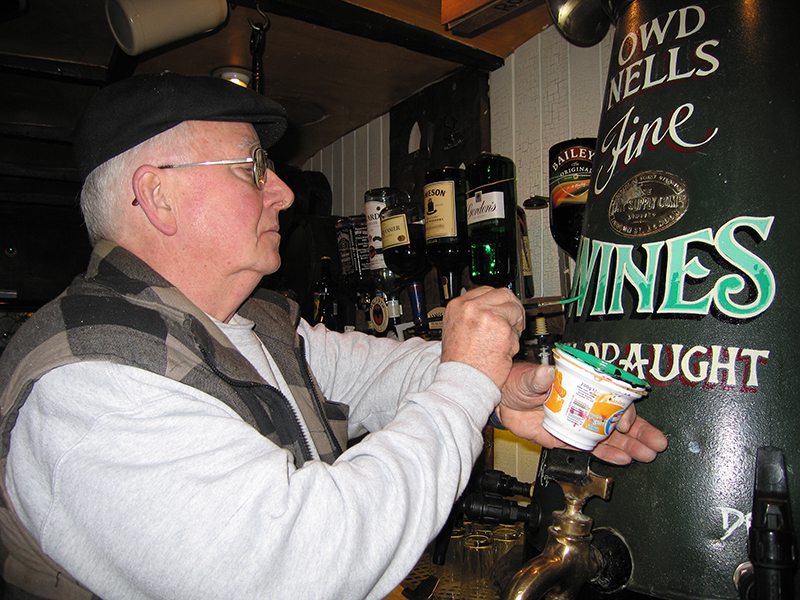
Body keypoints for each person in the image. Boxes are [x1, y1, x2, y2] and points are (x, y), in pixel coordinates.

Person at [0, 73, 667, 600]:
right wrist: (466, 385)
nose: (284, 193)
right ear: (159, 197)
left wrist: (505, 388)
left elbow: (375, 371)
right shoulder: (91, 386)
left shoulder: (248, 323)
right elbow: (301, 567)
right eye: (252, 168)